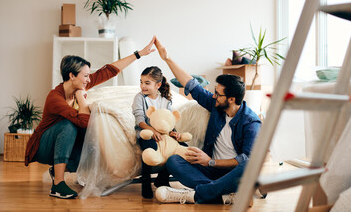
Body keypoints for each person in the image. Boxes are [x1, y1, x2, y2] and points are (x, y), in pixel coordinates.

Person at [25, 37, 156, 199]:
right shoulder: (55, 98)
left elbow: (109, 71)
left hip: (62, 142)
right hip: (43, 146)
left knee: (92, 139)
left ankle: (58, 170)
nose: (89, 80)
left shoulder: (80, 84)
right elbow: (84, 121)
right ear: (72, 76)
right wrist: (81, 98)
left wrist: (139, 54)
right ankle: (58, 185)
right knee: (69, 125)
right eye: (86, 76)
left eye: (89, 76)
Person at [153, 37, 262, 204]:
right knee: (174, 160)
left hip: (231, 172)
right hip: (210, 170)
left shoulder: (251, 123)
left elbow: (246, 160)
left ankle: (195, 195)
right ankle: (220, 193)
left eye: (218, 94)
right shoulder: (217, 106)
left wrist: (211, 161)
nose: (213, 96)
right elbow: (192, 85)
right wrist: (167, 58)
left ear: (231, 99)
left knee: (249, 167)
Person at [132, 66, 183, 199]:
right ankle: (146, 180)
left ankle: (163, 178)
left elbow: (169, 120)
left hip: (163, 134)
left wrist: (173, 132)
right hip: (146, 133)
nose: (143, 86)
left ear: (158, 85)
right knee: (151, 148)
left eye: (147, 83)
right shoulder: (140, 98)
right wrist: (152, 130)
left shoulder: (166, 100)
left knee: (182, 148)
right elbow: (140, 121)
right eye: (141, 82)